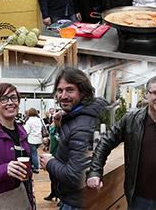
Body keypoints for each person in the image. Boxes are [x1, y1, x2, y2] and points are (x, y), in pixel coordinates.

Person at [87, 75, 156, 209]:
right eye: (155, 93)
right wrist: (95, 171)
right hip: (137, 198)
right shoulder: (131, 120)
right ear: (146, 94)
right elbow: (105, 142)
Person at [39, 67, 108, 210]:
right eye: (60, 90)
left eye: (70, 90)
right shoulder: (82, 114)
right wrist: (60, 125)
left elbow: (76, 177)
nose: (63, 96)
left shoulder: (82, 125)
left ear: (83, 92)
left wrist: (50, 163)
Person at [23, 107, 43, 174]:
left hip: (32, 140)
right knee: (33, 153)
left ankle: (36, 168)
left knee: (33, 154)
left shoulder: (29, 121)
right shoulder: (39, 119)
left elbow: (26, 131)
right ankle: (33, 165)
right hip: (39, 140)